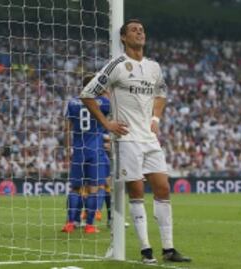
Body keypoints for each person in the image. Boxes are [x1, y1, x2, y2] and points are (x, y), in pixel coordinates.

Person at [79, 19, 191, 263]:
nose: (139, 32)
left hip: (149, 138)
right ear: (123, 37)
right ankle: (145, 249)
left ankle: (169, 249)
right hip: (127, 138)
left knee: (163, 188)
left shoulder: (153, 67)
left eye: (142, 29)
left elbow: (161, 94)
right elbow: (87, 93)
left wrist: (156, 120)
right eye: (133, 30)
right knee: (137, 191)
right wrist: (106, 123)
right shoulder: (116, 65)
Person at [61, 75, 111, 234]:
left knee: (75, 188)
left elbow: (66, 129)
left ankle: (70, 223)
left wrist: (67, 149)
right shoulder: (103, 103)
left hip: (78, 149)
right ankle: (89, 225)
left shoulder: (72, 103)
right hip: (95, 150)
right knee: (94, 188)